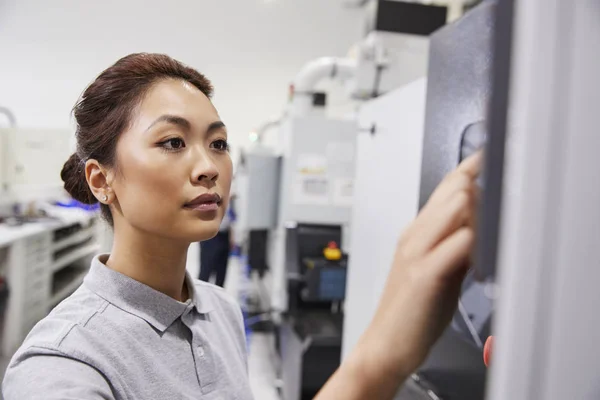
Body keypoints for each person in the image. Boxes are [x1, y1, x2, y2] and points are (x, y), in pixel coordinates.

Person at [2, 53, 481, 400]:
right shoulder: (63, 364)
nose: (208, 166)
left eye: (218, 143)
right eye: (172, 142)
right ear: (102, 180)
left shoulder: (220, 310)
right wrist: (380, 358)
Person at [199, 200, 234, 287]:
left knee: (221, 272)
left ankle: (218, 296)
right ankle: (200, 297)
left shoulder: (230, 198)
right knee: (206, 270)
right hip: (210, 235)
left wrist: (231, 237)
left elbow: (231, 219)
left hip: (225, 234)